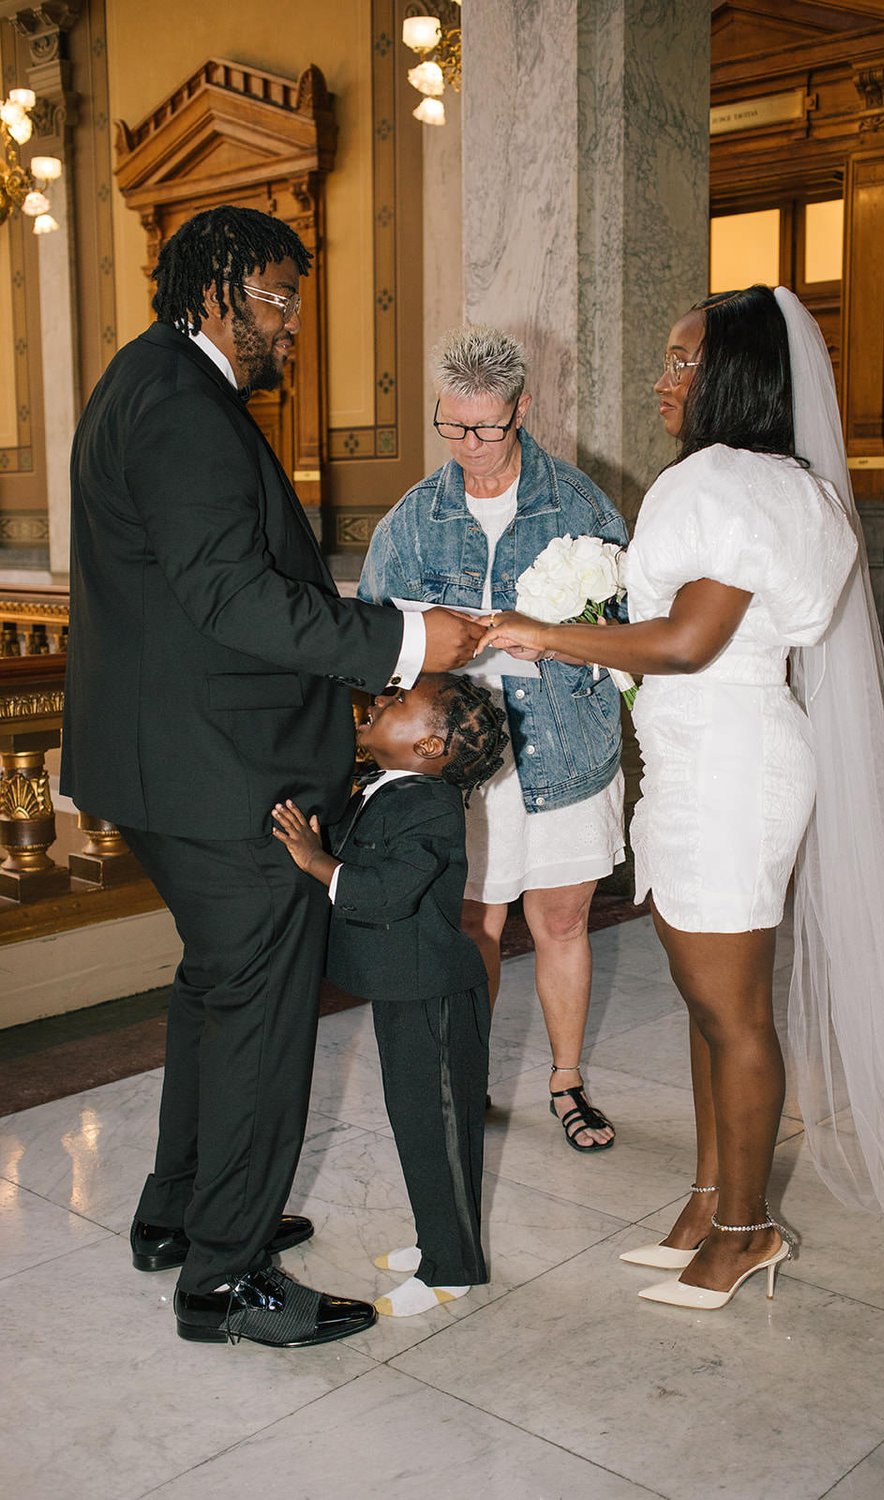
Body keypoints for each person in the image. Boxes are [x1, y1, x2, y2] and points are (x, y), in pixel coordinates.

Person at [482, 284, 884, 1310]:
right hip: (716, 757)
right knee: (706, 999)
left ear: (738, 377)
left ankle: (746, 1227)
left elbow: (685, 642)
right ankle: (710, 1194)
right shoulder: (792, 485)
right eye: (668, 360)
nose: (665, 380)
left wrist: (540, 632)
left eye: (684, 362)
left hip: (724, 766)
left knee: (734, 1013)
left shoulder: (718, 481)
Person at [61, 204, 485, 1348]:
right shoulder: (185, 408)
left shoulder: (141, 382)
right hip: (214, 772)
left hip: (169, 762)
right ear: (218, 289)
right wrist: (404, 643)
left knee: (216, 990)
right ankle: (227, 1276)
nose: (292, 328)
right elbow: (230, 597)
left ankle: (182, 1215)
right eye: (279, 300)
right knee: (260, 1011)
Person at [359, 326, 629, 1151]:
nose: (468, 446)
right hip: (465, 761)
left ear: (522, 411)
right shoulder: (414, 519)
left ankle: (567, 1080)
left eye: (486, 428)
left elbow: (626, 626)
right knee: (475, 921)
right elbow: (375, 638)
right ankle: (467, 1077)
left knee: (562, 920)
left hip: (566, 742)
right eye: (452, 426)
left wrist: (546, 633)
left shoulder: (578, 504)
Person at [272, 672, 508, 1317]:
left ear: (429, 747)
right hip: (405, 987)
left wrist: (314, 859)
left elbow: (387, 891)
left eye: (400, 701)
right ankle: (437, 1235)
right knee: (415, 1124)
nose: (380, 700)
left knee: (437, 1129)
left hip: (433, 993)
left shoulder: (430, 803)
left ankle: (452, 1267)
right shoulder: (388, 788)